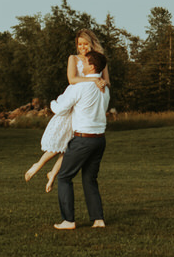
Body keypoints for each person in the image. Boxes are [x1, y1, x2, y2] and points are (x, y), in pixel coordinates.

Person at [24, 30, 110, 192]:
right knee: (60, 142)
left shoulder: (99, 60)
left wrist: (102, 83)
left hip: (84, 108)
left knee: (69, 146)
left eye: (85, 44)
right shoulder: (74, 59)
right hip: (72, 101)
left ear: (91, 43)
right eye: (79, 44)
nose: (82, 47)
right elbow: (72, 79)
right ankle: (39, 164)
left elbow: (106, 82)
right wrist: (93, 79)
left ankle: (53, 174)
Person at [50, 49, 109, 230]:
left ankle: (68, 220)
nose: (81, 65)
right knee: (90, 179)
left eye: (84, 63)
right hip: (99, 140)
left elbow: (59, 108)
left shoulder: (80, 87)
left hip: (83, 139)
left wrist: (52, 102)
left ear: (91, 66)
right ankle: (98, 219)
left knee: (64, 176)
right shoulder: (104, 88)